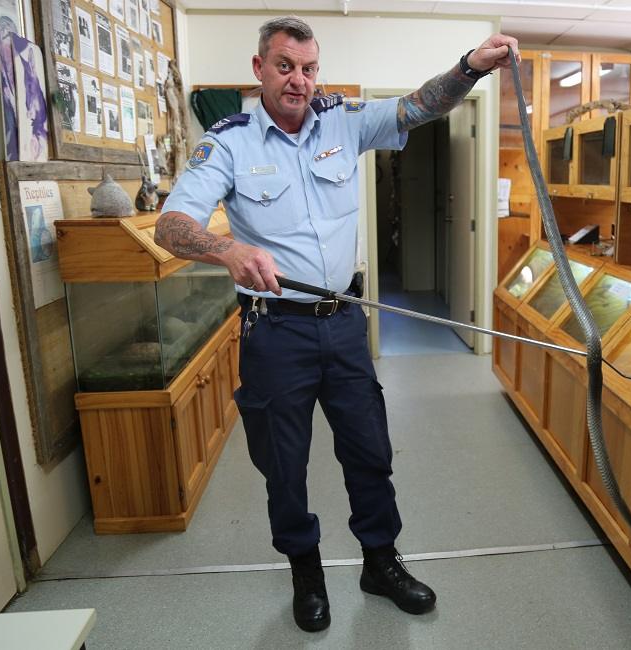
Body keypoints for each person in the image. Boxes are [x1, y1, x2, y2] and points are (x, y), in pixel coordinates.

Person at [154, 15, 519, 633]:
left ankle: (380, 562)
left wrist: (471, 67)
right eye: (285, 66)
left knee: (369, 450)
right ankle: (306, 573)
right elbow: (170, 225)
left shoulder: (343, 123)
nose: (298, 80)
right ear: (259, 70)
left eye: (308, 67)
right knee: (284, 464)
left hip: (345, 322)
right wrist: (226, 251)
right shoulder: (230, 141)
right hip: (275, 333)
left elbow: (416, 108)